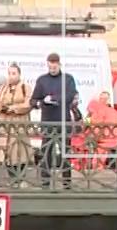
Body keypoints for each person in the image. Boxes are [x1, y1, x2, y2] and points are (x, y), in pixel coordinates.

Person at [30, 54, 82, 186]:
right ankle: (45, 181)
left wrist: (55, 99)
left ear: (59, 64)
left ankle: (66, 182)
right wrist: (42, 103)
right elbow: (33, 100)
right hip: (47, 121)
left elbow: (71, 95)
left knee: (65, 152)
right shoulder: (42, 80)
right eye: (50, 65)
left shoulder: (68, 79)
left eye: (55, 65)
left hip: (63, 121)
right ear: (47, 65)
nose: (52, 68)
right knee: (46, 152)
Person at [0, 62, 32, 169]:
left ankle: (20, 179)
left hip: (19, 125)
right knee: (6, 153)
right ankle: (12, 179)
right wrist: (0, 107)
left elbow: (28, 104)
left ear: (19, 74)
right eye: (9, 73)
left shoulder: (25, 87)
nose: (11, 76)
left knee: (19, 153)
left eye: (14, 73)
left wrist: (13, 108)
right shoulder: (3, 88)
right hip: (4, 126)